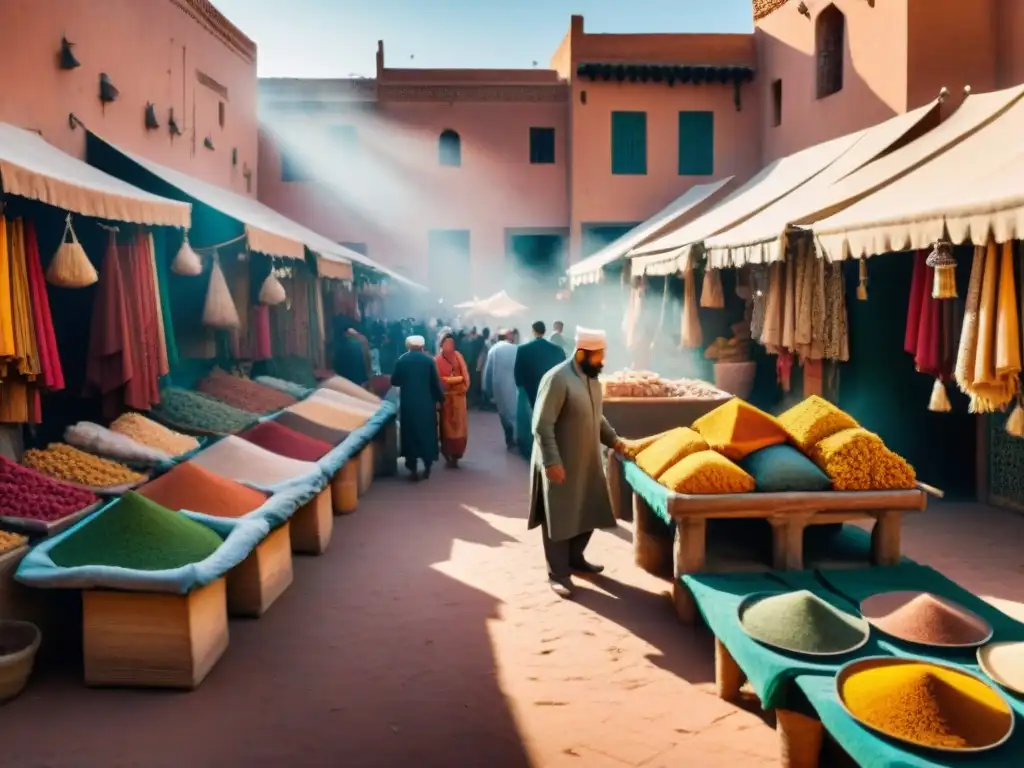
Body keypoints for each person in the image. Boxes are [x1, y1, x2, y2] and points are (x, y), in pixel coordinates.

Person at [528, 327, 627, 598]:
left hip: (587, 461)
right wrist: (552, 461)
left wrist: (615, 440)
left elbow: (597, 418)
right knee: (559, 518)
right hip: (559, 461)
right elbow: (541, 424)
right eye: (599, 356)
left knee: (591, 510)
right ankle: (558, 574)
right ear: (583, 353)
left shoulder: (592, 378)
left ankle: (575, 558)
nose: (603, 361)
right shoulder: (558, 379)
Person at [390, 335, 445, 481]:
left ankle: (412, 467)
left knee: (410, 434)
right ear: (422, 346)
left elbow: (395, 380)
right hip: (426, 404)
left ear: (408, 346)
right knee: (427, 434)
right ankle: (427, 465)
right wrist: (441, 398)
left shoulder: (402, 360)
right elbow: (435, 383)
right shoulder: (429, 361)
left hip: (408, 403)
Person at [513, 320, 566, 459]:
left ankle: (530, 450)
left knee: (532, 421)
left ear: (533, 331)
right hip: (551, 390)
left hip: (530, 391)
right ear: (544, 330)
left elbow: (517, 376)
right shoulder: (557, 350)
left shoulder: (523, 350)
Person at [435, 331, 471, 467]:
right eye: (446, 342)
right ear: (441, 344)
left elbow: (465, 376)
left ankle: (457, 454)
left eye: (451, 342)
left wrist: (459, 383)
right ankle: (448, 454)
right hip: (446, 400)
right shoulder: (437, 360)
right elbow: (437, 380)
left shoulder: (458, 356)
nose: (449, 345)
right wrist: (449, 382)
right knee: (447, 428)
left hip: (459, 399)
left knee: (460, 427)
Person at [482, 329, 518, 450]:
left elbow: (488, 371)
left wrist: (486, 389)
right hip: (514, 384)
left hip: (498, 385)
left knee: (503, 413)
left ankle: (509, 439)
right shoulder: (515, 348)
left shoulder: (493, 350)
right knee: (515, 410)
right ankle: (517, 436)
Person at [332, 317, 371, 386]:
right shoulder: (360, 341)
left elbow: (337, 366)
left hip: (346, 381)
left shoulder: (339, 346)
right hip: (359, 379)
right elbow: (366, 360)